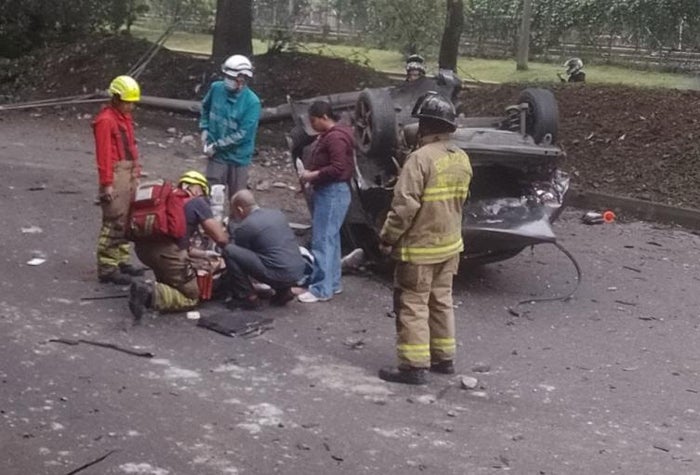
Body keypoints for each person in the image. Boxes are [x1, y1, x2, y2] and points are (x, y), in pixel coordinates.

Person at [377, 92, 473, 385]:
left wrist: (387, 238)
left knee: (413, 303)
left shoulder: (419, 159)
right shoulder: (461, 157)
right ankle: (444, 358)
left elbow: (404, 207)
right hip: (450, 246)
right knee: (441, 300)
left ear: (426, 125)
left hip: (420, 249)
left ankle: (413, 366)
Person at [128, 171, 229, 321]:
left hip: (143, 252)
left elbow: (183, 245)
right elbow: (220, 238)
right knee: (192, 296)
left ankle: (158, 287)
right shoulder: (197, 202)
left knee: (173, 281)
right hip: (168, 255)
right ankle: (149, 293)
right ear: (198, 189)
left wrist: (205, 254)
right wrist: (231, 248)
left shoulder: (168, 202)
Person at [296, 101, 355, 303]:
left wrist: (312, 175)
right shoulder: (334, 135)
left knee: (322, 240)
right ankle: (333, 282)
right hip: (334, 191)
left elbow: (338, 168)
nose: (312, 125)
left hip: (332, 192)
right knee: (332, 239)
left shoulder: (335, 138)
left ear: (324, 117)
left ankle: (321, 288)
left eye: (314, 121)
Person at [93, 75, 146, 285]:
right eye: (127, 102)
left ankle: (121, 260)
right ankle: (107, 267)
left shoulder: (124, 117)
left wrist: (136, 172)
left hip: (128, 172)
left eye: (132, 103)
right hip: (116, 174)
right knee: (114, 220)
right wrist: (107, 183)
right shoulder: (106, 120)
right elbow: (104, 155)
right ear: (115, 98)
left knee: (127, 219)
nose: (130, 106)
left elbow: (131, 146)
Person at [222, 190, 307, 309]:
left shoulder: (246, 226)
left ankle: (248, 297)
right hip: (298, 271)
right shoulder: (277, 214)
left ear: (240, 209)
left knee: (229, 251)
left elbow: (241, 256)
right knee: (275, 254)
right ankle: (283, 291)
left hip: (278, 273)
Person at [199, 54, 262, 200]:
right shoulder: (216, 88)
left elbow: (243, 134)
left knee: (237, 199)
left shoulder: (252, 102)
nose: (228, 80)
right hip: (217, 156)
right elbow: (205, 108)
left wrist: (216, 146)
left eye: (232, 78)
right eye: (226, 76)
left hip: (238, 158)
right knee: (212, 196)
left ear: (243, 79)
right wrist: (204, 128)